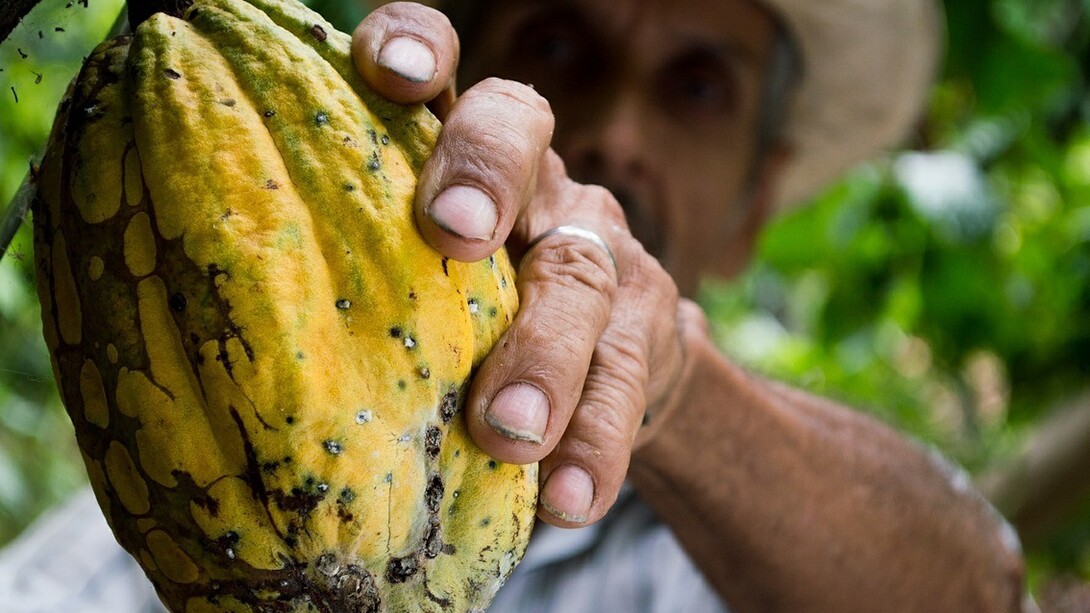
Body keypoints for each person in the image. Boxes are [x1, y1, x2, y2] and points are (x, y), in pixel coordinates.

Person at [0, 0, 1031, 611]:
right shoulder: (187, 478)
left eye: (697, 86)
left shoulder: (739, 551)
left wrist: (666, 387)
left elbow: (979, 591)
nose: (619, 130)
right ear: (445, 72)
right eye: (561, 41)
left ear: (754, 204)